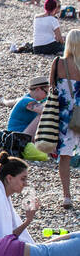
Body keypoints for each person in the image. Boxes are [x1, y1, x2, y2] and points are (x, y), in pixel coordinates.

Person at [50, 30, 80, 209]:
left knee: (65, 157)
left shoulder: (58, 63)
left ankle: (67, 196)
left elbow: (52, 87)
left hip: (63, 117)